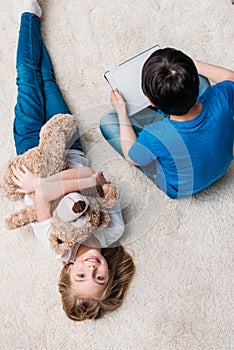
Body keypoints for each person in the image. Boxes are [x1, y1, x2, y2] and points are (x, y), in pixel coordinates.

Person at [10, 0, 135, 321]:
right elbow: (97, 179)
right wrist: (78, 183)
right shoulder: (112, 231)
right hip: (70, 143)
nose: (91, 269)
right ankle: (33, 24)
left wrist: (44, 184)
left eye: (82, 277)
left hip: (31, 153)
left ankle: (27, 14)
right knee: (48, 81)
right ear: (109, 273)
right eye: (100, 277)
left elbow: (43, 194)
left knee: (26, 79)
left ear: (68, 272)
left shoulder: (57, 245)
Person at [100, 48, 234, 199]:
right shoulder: (222, 96)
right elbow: (230, 77)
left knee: (108, 121)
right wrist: (192, 64)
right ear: (194, 81)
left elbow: (132, 158)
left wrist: (122, 113)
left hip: (179, 188)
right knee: (205, 80)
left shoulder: (154, 136)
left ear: (150, 101)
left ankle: (160, 108)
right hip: (220, 167)